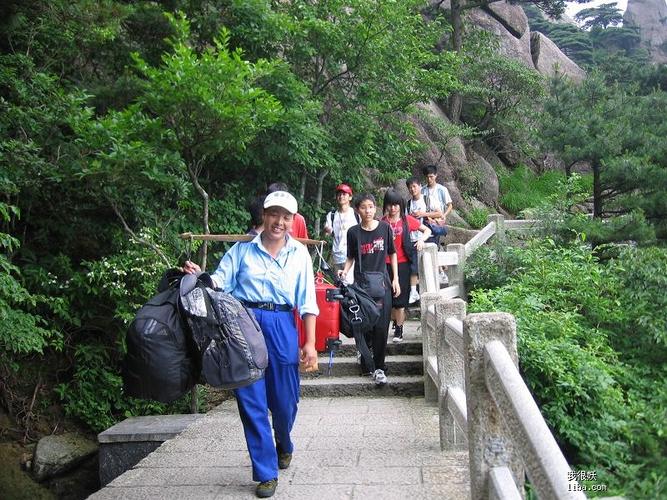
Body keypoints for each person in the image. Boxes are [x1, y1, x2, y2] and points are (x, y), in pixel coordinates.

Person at [183, 190, 318, 498]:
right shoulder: (242, 250)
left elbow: (307, 302)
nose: (279, 222)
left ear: (293, 221)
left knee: (285, 401)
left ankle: (283, 440)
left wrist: (309, 343)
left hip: (282, 324)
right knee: (251, 400)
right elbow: (220, 280)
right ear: (264, 216)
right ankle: (266, 471)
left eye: (286, 217)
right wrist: (201, 277)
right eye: (274, 214)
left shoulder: (298, 254)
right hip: (243, 324)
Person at [338, 193, 399, 385]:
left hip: (383, 284)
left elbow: (393, 254)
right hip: (361, 287)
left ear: (376, 208)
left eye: (371, 207)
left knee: (381, 327)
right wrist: (344, 271)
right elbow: (351, 257)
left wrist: (395, 278)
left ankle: (379, 367)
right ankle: (366, 363)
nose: (368, 211)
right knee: (364, 325)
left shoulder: (385, 229)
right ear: (358, 210)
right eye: (364, 207)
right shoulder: (353, 232)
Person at [382, 189, 431, 343]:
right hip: (385, 264)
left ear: (401, 205)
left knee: (400, 299)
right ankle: (391, 324)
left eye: (396, 204)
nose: (393, 208)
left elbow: (427, 230)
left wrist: (422, 240)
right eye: (390, 205)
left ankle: (399, 329)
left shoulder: (407, 220)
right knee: (386, 298)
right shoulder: (382, 222)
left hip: (403, 264)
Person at [420, 165, 453, 285]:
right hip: (426, 221)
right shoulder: (422, 190)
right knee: (431, 243)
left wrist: (444, 215)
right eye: (427, 177)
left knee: (434, 243)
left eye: (431, 177)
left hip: (438, 221)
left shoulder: (442, 189)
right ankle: (439, 270)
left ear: (436, 176)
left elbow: (450, 204)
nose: (429, 179)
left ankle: (439, 271)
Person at [323, 183, 359, 276]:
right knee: (338, 286)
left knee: (351, 285)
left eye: (344, 194)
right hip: (336, 256)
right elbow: (328, 233)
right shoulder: (331, 215)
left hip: (352, 257)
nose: (341, 196)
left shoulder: (356, 215)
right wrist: (326, 231)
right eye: (339, 194)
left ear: (350, 197)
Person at [405, 176, 427, 303]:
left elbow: (439, 214)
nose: (412, 189)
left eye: (414, 186)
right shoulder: (408, 204)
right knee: (413, 267)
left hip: (425, 237)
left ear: (419, 186)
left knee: (421, 266)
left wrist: (422, 214)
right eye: (410, 187)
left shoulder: (427, 200)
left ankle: (417, 293)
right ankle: (414, 292)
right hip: (412, 239)